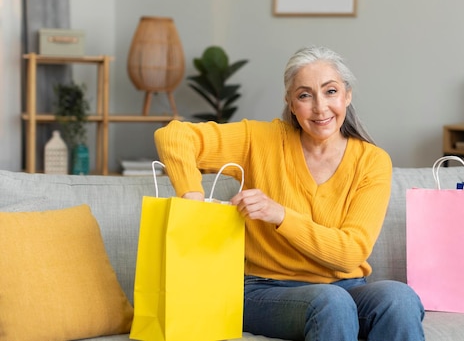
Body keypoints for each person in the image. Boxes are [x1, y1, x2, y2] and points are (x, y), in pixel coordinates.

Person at [154, 45, 425, 341]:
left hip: (346, 287)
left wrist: (280, 215)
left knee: (399, 298)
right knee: (330, 303)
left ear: (347, 95)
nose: (320, 107)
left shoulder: (372, 161)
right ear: (291, 103)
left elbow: (351, 253)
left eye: (330, 91)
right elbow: (173, 136)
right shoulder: (260, 140)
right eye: (305, 95)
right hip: (263, 289)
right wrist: (192, 198)